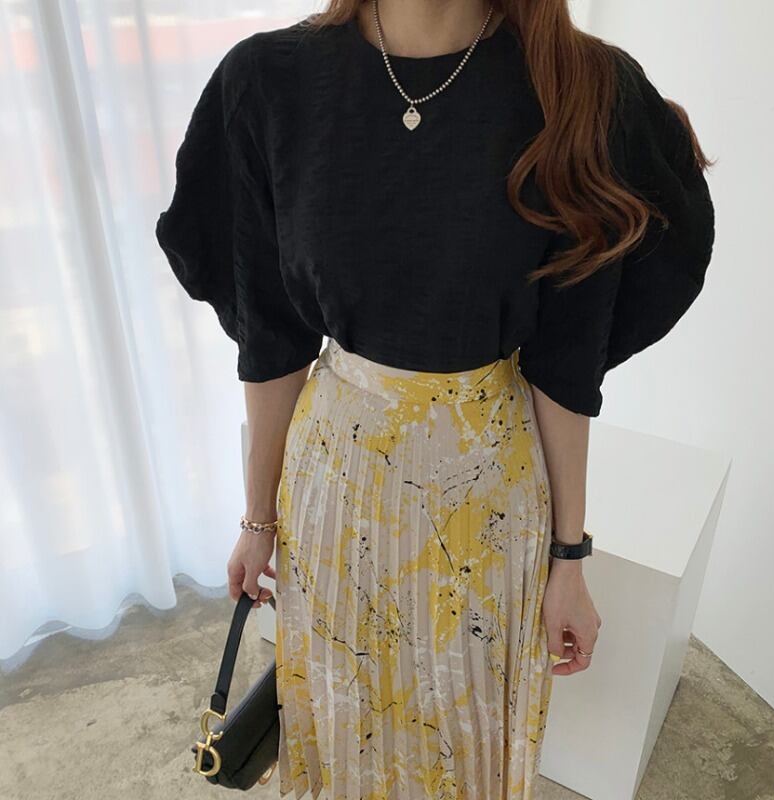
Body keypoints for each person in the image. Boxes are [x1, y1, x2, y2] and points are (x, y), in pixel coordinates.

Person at [155, 0, 715, 797]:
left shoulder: (581, 87)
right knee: (345, 733)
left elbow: (567, 362)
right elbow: (272, 338)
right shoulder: (271, 81)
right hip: (336, 493)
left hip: (488, 506)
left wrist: (569, 558)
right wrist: (258, 520)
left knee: (465, 748)